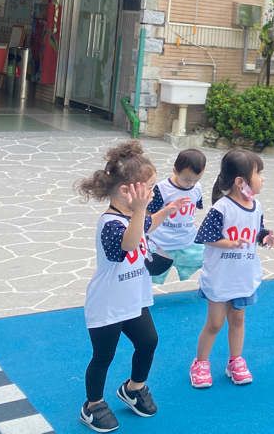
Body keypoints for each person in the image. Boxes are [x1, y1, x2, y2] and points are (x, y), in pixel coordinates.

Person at [77, 141, 188, 433]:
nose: (152, 193)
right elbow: (128, 243)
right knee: (103, 356)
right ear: (129, 192)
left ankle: (133, 388)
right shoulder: (110, 223)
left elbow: (146, 225)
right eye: (148, 188)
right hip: (108, 303)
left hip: (133, 299)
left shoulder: (133, 216)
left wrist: (166, 211)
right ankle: (92, 405)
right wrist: (140, 212)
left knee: (148, 342)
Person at [191, 150, 274, 387]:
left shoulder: (256, 206)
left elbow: (257, 231)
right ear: (241, 182)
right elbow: (205, 236)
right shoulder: (221, 208)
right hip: (221, 277)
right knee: (215, 323)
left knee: (238, 319)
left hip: (243, 275)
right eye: (258, 174)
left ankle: (235, 361)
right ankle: (200, 363)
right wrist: (227, 243)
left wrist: (265, 238)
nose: (262, 178)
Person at [147, 148, 207, 285]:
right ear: (175, 171)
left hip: (187, 241)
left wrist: (191, 221)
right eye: (187, 180)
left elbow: (193, 207)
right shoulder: (162, 189)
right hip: (160, 243)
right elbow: (148, 214)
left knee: (207, 258)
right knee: (151, 276)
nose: (191, 184)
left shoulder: (197, 188)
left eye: (196, 180)